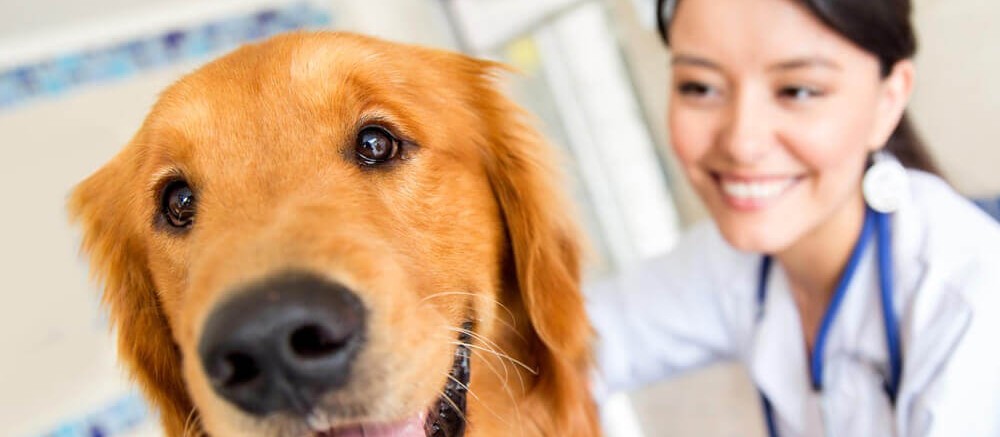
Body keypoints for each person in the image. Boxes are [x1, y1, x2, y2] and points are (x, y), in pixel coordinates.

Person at [586, 0, 1000, 435]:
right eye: (700, 87)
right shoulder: (737, 260)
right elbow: (558, 348)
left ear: (887, 101)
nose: (742, 142)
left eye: (798, 91)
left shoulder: (970, 305)